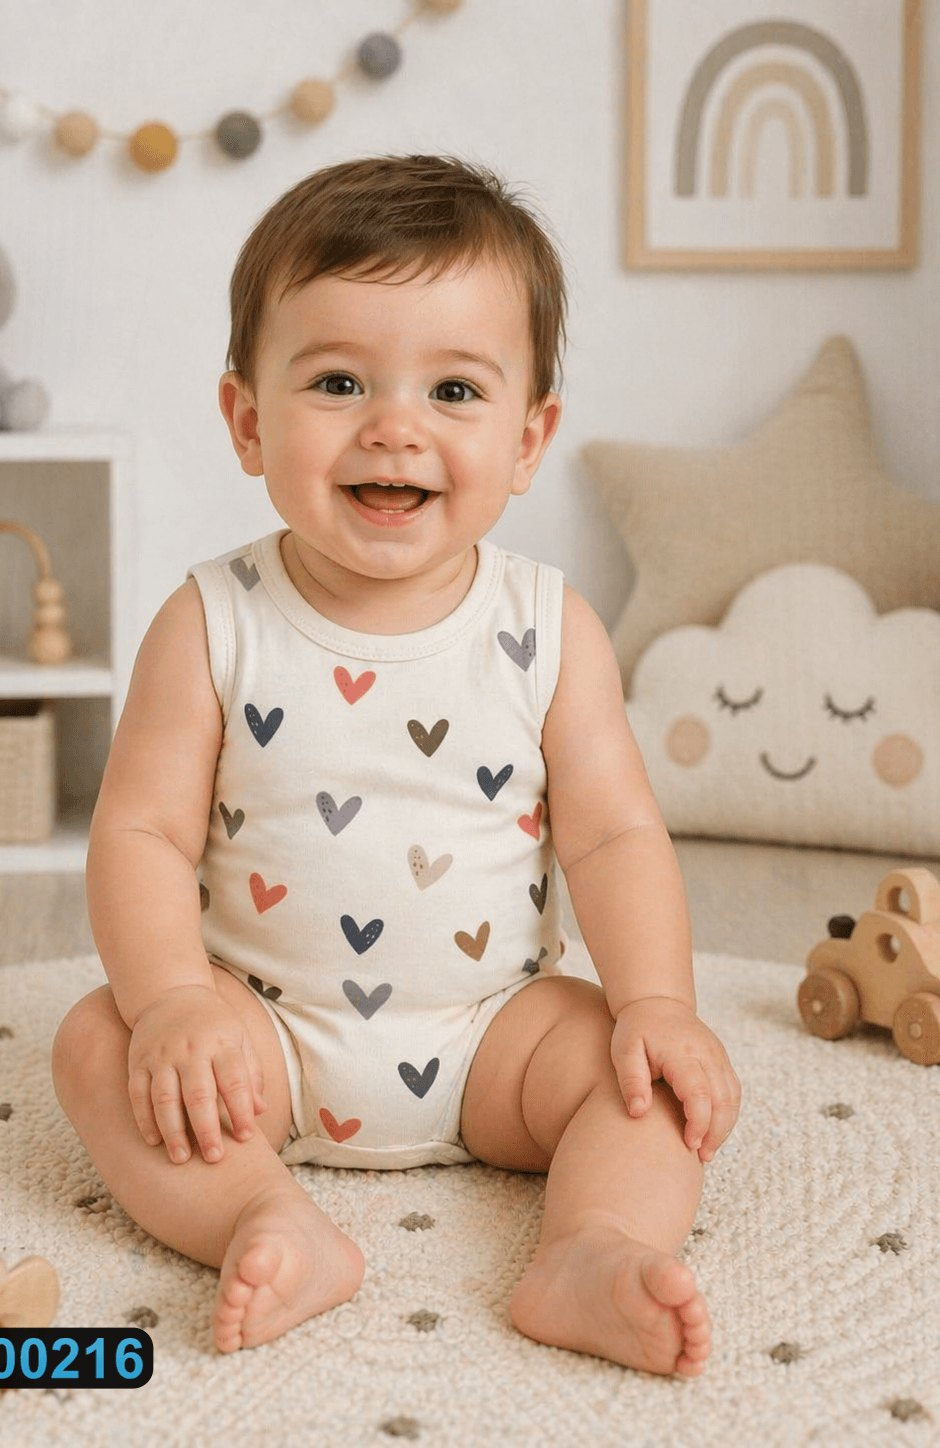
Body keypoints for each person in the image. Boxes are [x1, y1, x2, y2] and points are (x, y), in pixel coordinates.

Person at [52, 154, 741, 1378]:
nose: (394, 425)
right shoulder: (212, 621)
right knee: (96, 1046)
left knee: (648, 1086)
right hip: (259, 1037)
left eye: (454, 388)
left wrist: (656, 1003)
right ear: (247, 420)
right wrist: (172, 1001)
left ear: (528, 437)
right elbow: (141, 832)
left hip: (495, 1042)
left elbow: (613, 835)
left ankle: (591, 1244)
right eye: (338, 381)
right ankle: (262, 1215)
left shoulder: (549, 627)